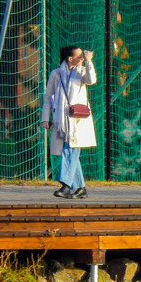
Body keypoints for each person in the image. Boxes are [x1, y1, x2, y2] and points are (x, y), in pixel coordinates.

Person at [41, 46, 97, 199]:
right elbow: (48, 96)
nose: (82, 58)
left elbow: (91, 80)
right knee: (71, 152)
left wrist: (89, 62)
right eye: (80, 56)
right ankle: (80, 188)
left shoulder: (82, 71)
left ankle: (66, 185)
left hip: (79, 121)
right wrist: (45, 118)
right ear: (70, 59)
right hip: (62, 120)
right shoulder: (56, 74)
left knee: (70, 151)